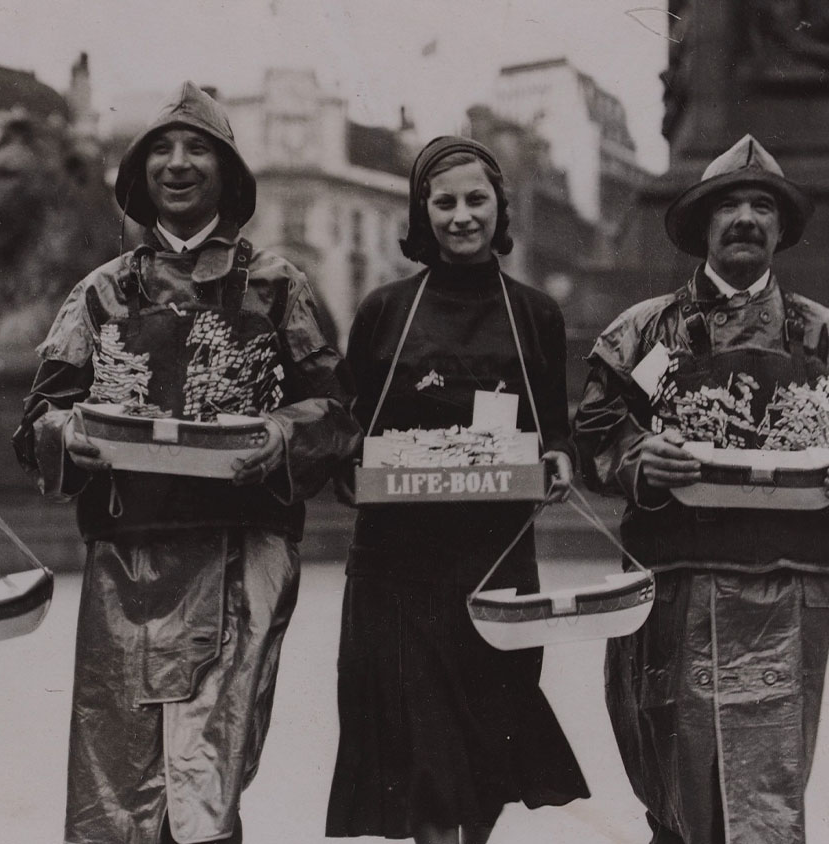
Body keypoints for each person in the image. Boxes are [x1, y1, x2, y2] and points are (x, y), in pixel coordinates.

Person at [13, 81, 360, 844]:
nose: (178, 164)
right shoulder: (100, 293)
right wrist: (69, 435)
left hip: (241, 554)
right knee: (118, 784)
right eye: (161, 151)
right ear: (138, 179)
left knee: (207, 779)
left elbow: (335, 412)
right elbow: (36, 419)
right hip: (127, 561)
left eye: (197, 148)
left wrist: (278, 434)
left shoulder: (276, 285)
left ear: (229, 176)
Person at [572, 135, 829, 844]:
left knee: (768, 786)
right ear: (703, 227)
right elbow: (596, 426)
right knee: (673, 770)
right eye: (729, 205)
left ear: (782, 229)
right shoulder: (650, 333)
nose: (746, 218)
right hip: (675, 577)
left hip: (786, 580)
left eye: (762, 206)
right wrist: (639, 458)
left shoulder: (824, 336)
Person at [324, 136, 590, 844]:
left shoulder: (536, 313)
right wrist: (352, 467)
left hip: (495, 557)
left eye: (477, 200)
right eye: (444, 202)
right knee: (424, 761)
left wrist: (558, 461)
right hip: (397, 566)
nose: (462, 216)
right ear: (421, 212)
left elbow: (555, 430)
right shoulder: (385, 309)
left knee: (485, 747)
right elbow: (344, 428)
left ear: (500, 207)